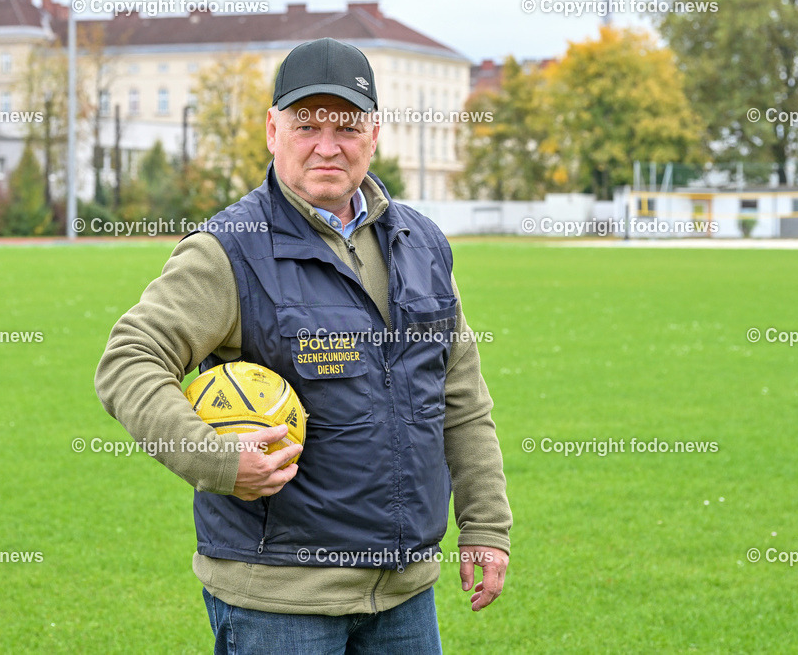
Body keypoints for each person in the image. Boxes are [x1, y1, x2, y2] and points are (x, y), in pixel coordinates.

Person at [95, 37, 511, 654]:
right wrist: (215, 459)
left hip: (403, 594)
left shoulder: (422, 245)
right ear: (272, 129)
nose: (327, 144)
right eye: (306, 123)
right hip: (279, 599)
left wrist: (485, 525)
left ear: (374, 132)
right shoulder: (228, 250)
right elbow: (128, 358)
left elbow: (461, 399)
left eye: (346, 125)